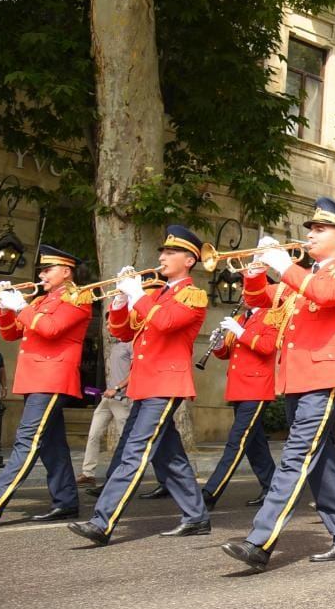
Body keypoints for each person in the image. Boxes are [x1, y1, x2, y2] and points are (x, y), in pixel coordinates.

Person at [221, 199, 335, 570]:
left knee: (295, 457)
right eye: (311, 229)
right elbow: (260, 300)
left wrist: (284, 264)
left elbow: (323, 294)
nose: (309, 234)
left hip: (324, 377)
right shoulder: (299, 277)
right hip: (296, 378)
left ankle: (260, 539)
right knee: (319, 464)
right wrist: (255, 271)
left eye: (319, 230)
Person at [67, 226, 211, 545]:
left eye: (170, 253)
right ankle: (196, 516)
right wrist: (120, 298)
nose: (161, 257)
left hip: (166, 383)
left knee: (133, 451)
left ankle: (102, 521)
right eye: (162, 252)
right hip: (146, 384)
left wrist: (136, 294)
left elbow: (165, 322)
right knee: (167, 455)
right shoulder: (157, 295)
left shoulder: (192, 295)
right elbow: (122, 332)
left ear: (189, 260)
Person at [0, 245, 91, 525]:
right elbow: (11, 333)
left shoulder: (78, 297)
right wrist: (5, 309)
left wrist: (21, 306)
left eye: (47, 269)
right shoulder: (40, 301)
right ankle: (66, 501)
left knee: (26, 441)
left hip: (53, 378)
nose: (41, 274)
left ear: (66, 271)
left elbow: (50, 330)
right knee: (52, 444)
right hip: (36, 378)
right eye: (41, 269)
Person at [200, 287, 279, 509]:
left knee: (237, 441)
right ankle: (272, 488)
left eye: (248, 290)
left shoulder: (271, 316)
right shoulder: (240, 317)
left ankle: (210, 492)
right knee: (255, 444)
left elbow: (266, 347)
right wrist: (217, 344)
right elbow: (228, 353)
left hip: (256, 387)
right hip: (239, 387)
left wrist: (240, 331)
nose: (243, 295)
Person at [79, 332, 130, 486]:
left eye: (111, 323)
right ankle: (88, 474)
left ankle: (126, 475)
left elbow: (136, 373)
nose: (109, 327)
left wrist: (116, 388)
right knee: (94, 434)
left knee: (126, 440)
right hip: (107, 399)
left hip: (122, 399)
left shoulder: (132, 344)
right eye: (107, 324)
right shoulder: (114, 346)